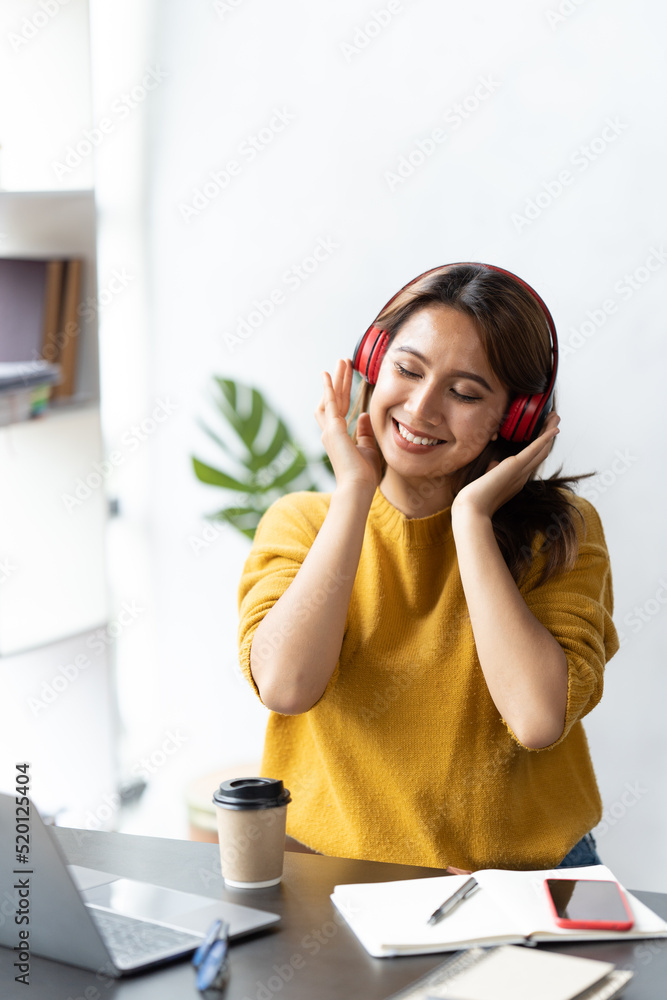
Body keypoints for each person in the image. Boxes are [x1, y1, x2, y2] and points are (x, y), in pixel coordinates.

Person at [237, 262, 619, 873]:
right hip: (339, 878)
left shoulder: (562, 534)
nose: (420, 408)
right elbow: (286, 687)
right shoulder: (302, 524)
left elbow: (537, 717)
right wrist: (355, 495)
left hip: (529, 879)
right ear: (376, 364)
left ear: (515, 419)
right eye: (408, 370)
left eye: (465, 393)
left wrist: (470, 520)